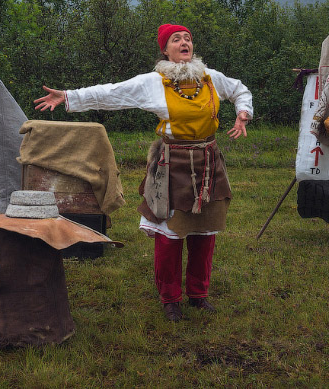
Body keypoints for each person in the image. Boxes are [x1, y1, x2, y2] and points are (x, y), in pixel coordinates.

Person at [34, 23, 252, 322]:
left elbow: (240, 89)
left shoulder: (210, 77)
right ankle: (170, 299)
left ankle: (199, 295)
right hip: (172, 163)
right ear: (166, 49)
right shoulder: (153, 81)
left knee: (204, 231)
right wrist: (69, 97)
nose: (184, 42)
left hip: (207, 161)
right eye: (176, 40)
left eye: (187, 38)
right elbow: (111, 93)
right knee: (170, 236)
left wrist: (243, 113)